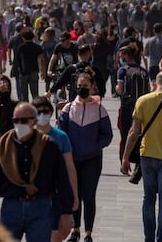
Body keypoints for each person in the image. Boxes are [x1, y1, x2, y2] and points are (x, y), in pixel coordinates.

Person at [0, 102, 74, 242]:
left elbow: (62, 179)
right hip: (11, 207)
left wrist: (66, 213)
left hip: (40, 207)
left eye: (24, 120)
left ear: (34, 121)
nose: (20, 124)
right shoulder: (4, 146)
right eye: (16, 121)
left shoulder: (48, 146)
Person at [121, 71, 162, 242]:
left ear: (155, 83)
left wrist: (125, 157)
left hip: (147, 156)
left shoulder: (142, 101)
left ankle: (148, 238)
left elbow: (134, 132)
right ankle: (161, 238)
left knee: (148, 199)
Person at [58, 67, 113, 242]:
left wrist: (95, 146)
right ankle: (75, 230)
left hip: (92, 160)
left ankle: (88, 232)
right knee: (75, 195)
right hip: (72, 160)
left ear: (92, 87)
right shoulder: (67, 109)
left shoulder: (99, 109)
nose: (82, 88)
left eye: (85, 85)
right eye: (79, 85)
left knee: (89, 195)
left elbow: (108, 135)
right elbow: (61, 132)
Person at [31, 96, 79, 242]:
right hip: (33, 197)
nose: (42, 115)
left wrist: (75, 195)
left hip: (56, 195)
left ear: (51, 113)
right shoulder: (26, 137)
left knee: (56, 236)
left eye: (45, 111)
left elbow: (70, 166)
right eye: (38, 112)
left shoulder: (61, 137)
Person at [116, 43, 149, 180]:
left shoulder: (123, 70)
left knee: (125, 135)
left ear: (126, 56)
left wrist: (118, 90)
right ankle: (138, 163)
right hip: (142, 107)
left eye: (121, 56)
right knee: (140, 135)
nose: (120, 58)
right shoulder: (143, 71)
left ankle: (125, 162)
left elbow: (119, 89)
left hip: (127, 107)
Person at [14, 30, 45, 102]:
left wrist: (17, 71)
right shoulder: (37, 47)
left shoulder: (21, 47)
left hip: (23, 72)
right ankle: (36, 107)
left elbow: (17, 60)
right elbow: (42, 59)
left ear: (24, 38)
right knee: (35, 93)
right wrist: (43, 71)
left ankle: (26, 109)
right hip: (34, 71)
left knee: (24, 94)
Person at [144, 23, 162, 90]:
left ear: (154, 31)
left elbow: (145, 53)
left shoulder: (149, 41)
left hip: (152, 65)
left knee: (153, 84)